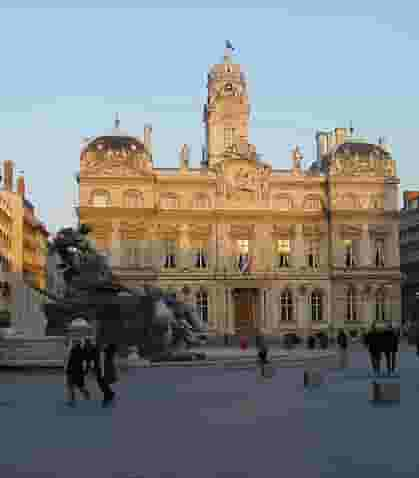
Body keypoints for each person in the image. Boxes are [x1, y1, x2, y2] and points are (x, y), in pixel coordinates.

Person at [64, 337, 91, 407]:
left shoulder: (72, 350)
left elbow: (69, 361)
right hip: (79, 371)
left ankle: (72, 401)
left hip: (71, 371)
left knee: (70, 387)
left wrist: (66, 369)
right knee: (80, 386)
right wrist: (86, 370)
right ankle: (86, 395)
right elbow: (87, 361)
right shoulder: (83, 351)